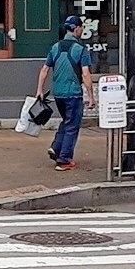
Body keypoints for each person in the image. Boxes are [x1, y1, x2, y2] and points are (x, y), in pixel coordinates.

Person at [36, 15, 96, 171]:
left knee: (67, 121)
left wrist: (40, 91)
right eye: (82, 27)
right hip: (73, 93)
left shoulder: (55, 47)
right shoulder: (81, 50)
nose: (83, 30)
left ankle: (56, 147)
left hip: (58, 94)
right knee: (72, 125)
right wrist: (91, 96)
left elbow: (44, 70)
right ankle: (64, 160)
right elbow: (86, 74)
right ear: (76, 29)